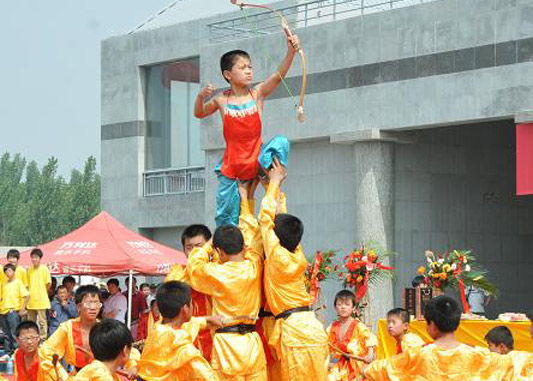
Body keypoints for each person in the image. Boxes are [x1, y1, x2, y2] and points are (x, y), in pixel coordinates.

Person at [194, 30, 299, 226]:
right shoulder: (221, 100)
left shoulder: (257, 93)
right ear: (228, 74)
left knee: (280, 143)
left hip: (257, 160)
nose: (249, 71)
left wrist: (291, 52)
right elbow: (199, 113)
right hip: (233, 167)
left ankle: (273, 181)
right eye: (242, 68)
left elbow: (278, 76)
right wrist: (200, 97)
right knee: (227, 219)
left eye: (250, 66)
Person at [257, 159, 329, 381]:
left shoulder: (277, 256)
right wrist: (272, 186)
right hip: (311, 326)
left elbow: (265, 219)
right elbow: (280, 219)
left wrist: (275, 181)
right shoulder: (296, 253)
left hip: (295, 331)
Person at [364, 296, 524, 380]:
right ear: (456, 322)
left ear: (431, 325)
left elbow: (379, 370)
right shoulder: (479, 354)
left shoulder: (417, 355)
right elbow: (515, 365)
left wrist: (365, 369)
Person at [187, 222, 267, 381]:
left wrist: (208, 246)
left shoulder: (216, 272)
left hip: (226, 345)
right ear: (242, 247)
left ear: (219, 251)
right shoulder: (254, 266)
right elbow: (254, 244)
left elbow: (194, 266)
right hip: (252, 343)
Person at [39, 285, 138, 380]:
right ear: (78, 306)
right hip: (77, 376)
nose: (93, 307)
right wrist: (62, 376)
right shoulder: (67, 327)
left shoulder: (105, 328)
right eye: (89, 303)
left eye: (96, 303)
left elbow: (127, 348)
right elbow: (45, 352)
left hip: (102, 376)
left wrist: (132, 365)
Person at [138, 281, 220, 380]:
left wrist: (208, 319)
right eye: (191, 304)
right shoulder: (182, 346)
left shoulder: (157, 328)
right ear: (185, 309)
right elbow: (207, 377)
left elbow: (190, 324)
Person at [165, 224, 213, 361]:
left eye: (199, 247)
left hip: (217, 341)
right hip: (188, 344)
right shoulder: (178, 272)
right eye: (189, 247)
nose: (194, 252)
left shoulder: (218, 269)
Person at [327, 290, 377, 381]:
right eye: (339, 304)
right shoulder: (332, 327)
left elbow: (370, 339)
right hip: (341, 366)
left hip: (358, 365)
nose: (343, 307)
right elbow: (325, 345)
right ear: (335, 307)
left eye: (347, 304)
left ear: (353, 308)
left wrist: (369, 355)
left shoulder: (358, 325)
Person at [0, 264, 29, 355]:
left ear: (13, 271)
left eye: (9, 271)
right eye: (6, 272)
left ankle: (16, 353)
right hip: (3, 311)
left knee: (14, 333)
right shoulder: (3, 284)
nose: (7, 273)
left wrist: (22, 308)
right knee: (6, 334)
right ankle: (8, 353)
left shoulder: (18, 282)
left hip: (13, 311)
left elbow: (27, 295)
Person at [26, 248, 52, 340]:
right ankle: (31, 336)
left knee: (42, 321)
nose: (34, 259)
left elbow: (49, 283)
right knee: (31, 321)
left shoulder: (44, 269)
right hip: (31, 301)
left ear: (40, 258)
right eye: (32, 257)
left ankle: (43, 338)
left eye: (36, 257)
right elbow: (27, 285)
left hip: (41, 300)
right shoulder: (29, 270)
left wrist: (42, 292)